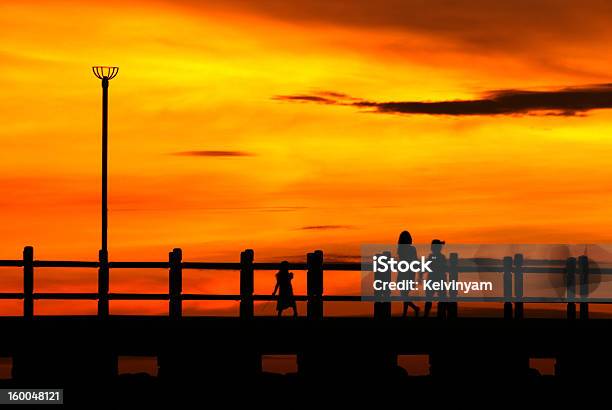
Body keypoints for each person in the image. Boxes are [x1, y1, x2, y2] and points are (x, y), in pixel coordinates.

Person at [397, 231, 420, 317]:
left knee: (404, 294)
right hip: (408, 272)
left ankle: (410, 310)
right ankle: (410, 311)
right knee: (404, 294)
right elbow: (415, 261)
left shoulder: (401, 248)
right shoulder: (410, 249)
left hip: (406, 272)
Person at [424, 239, 448, 318]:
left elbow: (428, 266)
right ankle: (441, 314)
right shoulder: (441, 257)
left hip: (432, 279)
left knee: (429, 298)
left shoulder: (432, 256)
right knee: (441, 298)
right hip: (440, 279)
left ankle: (426, 315)